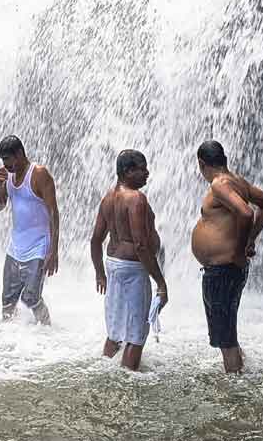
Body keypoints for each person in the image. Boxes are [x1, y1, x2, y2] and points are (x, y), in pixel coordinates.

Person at [190, 140, 263, 374]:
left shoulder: (219, 184)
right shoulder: (237, 181)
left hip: (224, 269)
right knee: (226, 331)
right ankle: (240, 373)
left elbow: (246, 213)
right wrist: (250, 240)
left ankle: (235, 390)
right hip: (226, 269)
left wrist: (239, 251)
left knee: (225, 339)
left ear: (201, 163)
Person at [90, 149, 169, 370]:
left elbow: (95, 240)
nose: (147, 173)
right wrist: (160, 283)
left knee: (115, 331)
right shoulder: (136, 199)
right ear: (127, 171)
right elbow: (141, 245)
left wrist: (100, 272)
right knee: (136, 334)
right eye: (142, 168)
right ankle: (128, 381)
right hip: (133, 268)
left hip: (113, 265)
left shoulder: (108, 198)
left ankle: (106, 372)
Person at [0, 134, 60, 324]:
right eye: (2, 160)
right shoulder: (7, 175)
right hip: (15, 247)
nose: (5, 164)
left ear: (20, 154)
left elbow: (54, 213)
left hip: (38, 247)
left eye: (8, 159)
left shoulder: (39, 174)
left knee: (31, 297)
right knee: (7, 301)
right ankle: (6, 341)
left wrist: (53, 250)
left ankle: (47, 331)